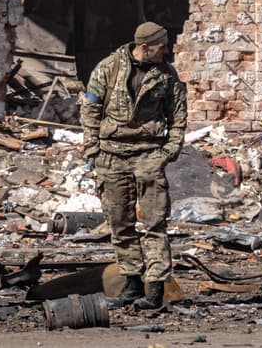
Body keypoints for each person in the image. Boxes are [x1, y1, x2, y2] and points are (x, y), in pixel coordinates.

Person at [80, 21, 187, 311]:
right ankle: (132, 284)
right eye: (161, 46)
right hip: (111, 155)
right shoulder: (109, 68)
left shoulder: (166, 75)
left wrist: (167, 152)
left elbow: (178, 117)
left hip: (149, 155)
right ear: (145, 46)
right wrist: (93, 148)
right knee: (120, 223)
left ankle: (154, 289)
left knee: (155, 223)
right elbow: (89, 109)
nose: (167, 50)